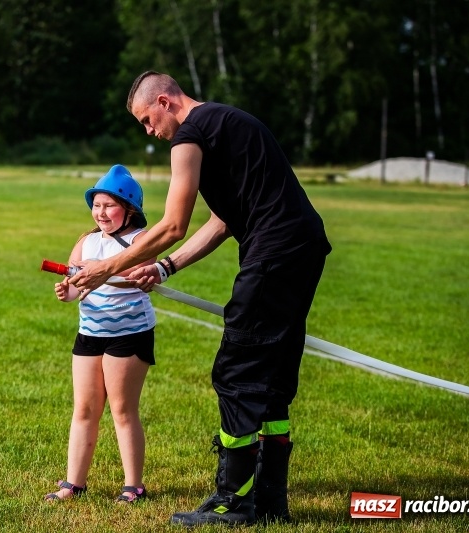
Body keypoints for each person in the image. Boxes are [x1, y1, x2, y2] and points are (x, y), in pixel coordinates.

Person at [68, 71, 331, 527]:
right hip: (303, 248)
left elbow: (172, 225)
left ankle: (234, 500)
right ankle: (270, 501)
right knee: (271, 377)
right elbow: (223, 220)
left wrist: (106, 268)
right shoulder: (226, 123)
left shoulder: (190, 133)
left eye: (148, 120)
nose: (150, 132)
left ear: (166, 101)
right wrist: (166, 266)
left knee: (237, 371)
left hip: (274, 253)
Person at [45, 164, 158, 505]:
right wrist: (69, 292)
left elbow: (141, 276)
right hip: (90, 333)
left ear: (129, 209)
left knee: (123, 411)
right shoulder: (86, 242)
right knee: (84, 409)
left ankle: (133, 486)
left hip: (129, 332)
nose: (101, 212)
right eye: (96, 205)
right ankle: (73, 484)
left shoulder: (140, 242)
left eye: (109, 205)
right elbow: (77, 283)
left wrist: (111, 274)